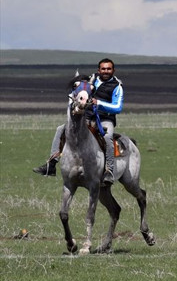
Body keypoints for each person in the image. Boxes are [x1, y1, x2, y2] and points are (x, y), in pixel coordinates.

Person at [33, 58, 124, 186]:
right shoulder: (92, 79)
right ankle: (52, 164)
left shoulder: (117, 86)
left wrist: (99, 103)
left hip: (104, 120)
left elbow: (118, 107)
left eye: (109, 69)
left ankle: (109, 171)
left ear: (113, 70)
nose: (106, 71)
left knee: (107, 137)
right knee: (61, 129)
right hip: (87, 116)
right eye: (103, 69)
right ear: (99, 70)